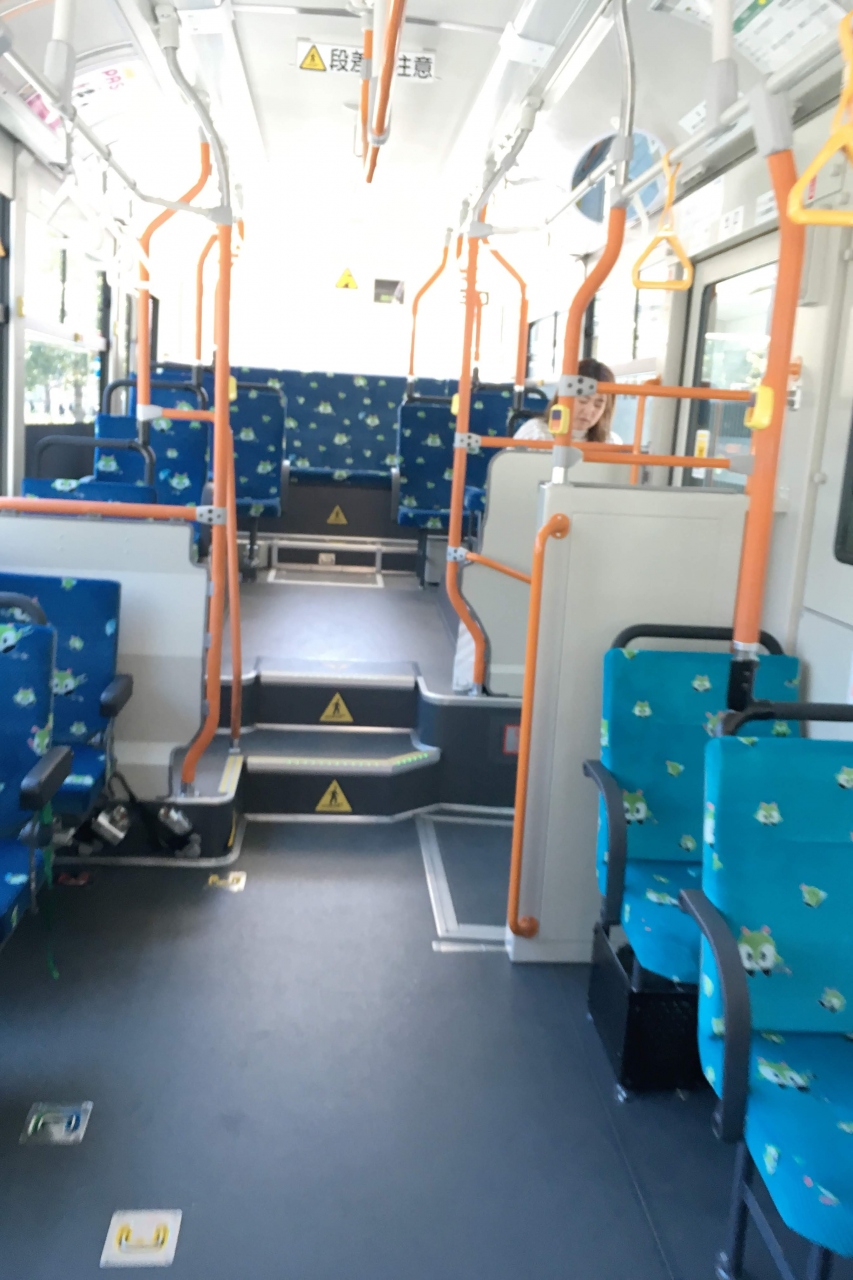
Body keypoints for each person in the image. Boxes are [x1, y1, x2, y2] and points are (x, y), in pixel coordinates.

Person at [514, 357, 622, 444]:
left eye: (598, 405)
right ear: (563, 397)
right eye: (583, 400)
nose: (589, 410)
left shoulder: (611, 443)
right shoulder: (535, 434)